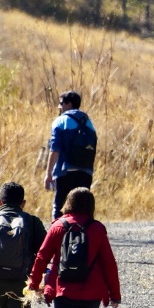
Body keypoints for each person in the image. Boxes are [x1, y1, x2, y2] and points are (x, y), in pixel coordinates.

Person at [44, 91, 98, 220]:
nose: (59, 106)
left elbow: (55, 149)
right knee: (83, 209)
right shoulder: (89, 123)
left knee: (59, 207)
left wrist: (48, 173)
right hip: (86, 172)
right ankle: (84, 232)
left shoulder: (60, 121)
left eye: (61, 103)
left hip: (65, 171)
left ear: (69, 104)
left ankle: (58, 232)